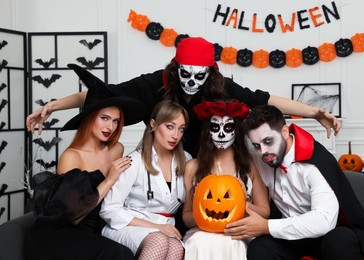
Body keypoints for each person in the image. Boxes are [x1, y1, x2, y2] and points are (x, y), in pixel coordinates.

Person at [26, 37, 341, 157]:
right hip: (161, 163)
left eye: (198, 76)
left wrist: (313, 112)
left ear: (210, 73)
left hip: (204, 162)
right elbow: (101, 95)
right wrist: (52, 106)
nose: (191, 83)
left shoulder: (221, 88)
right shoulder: (156, 84)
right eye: (184, 74)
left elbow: (265, 99)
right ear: (176, 69)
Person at [224, 104, 364, 260]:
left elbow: (324, 220)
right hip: (290, 236)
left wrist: (267, 226)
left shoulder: (315, 163)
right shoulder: (265, 159)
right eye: (257, 146)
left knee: (341, 241)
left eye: (268, 141)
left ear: (285, 132)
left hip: (327, 234)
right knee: (259, 247)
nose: (263, 152)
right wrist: (239, 195)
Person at [23, 64, 146, 260]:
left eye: (116, 121)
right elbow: (72, 216)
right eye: (104, 118)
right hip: (59, 233)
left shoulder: (117, 149)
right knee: (119, 253)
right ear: (90, 118)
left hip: (96, 227)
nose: (111, 126)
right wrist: (108, 180)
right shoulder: (72, 156)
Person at [99, 100, 191, 260]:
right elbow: (109, 209)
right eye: (169, 127)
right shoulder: (135, 161)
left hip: (165, 229)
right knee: (158, 241)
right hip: (127, 226)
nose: (175, 135)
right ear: (153, 124)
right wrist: (157, 227)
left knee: (176, 248)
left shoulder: (186, 160)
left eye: (181, 129)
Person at [181, 100, 270, 260]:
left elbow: (265, 211)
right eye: (215, 128)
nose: (221, 134)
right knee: (198, 242)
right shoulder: (193, 167)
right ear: (207, 131)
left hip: (239, 232)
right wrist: (201, 204)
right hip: (202, 232)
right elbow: (187, 217)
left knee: (231, 243)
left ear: (236, 131)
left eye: (228, 128)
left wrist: (243, 204)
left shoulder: (249, 164)